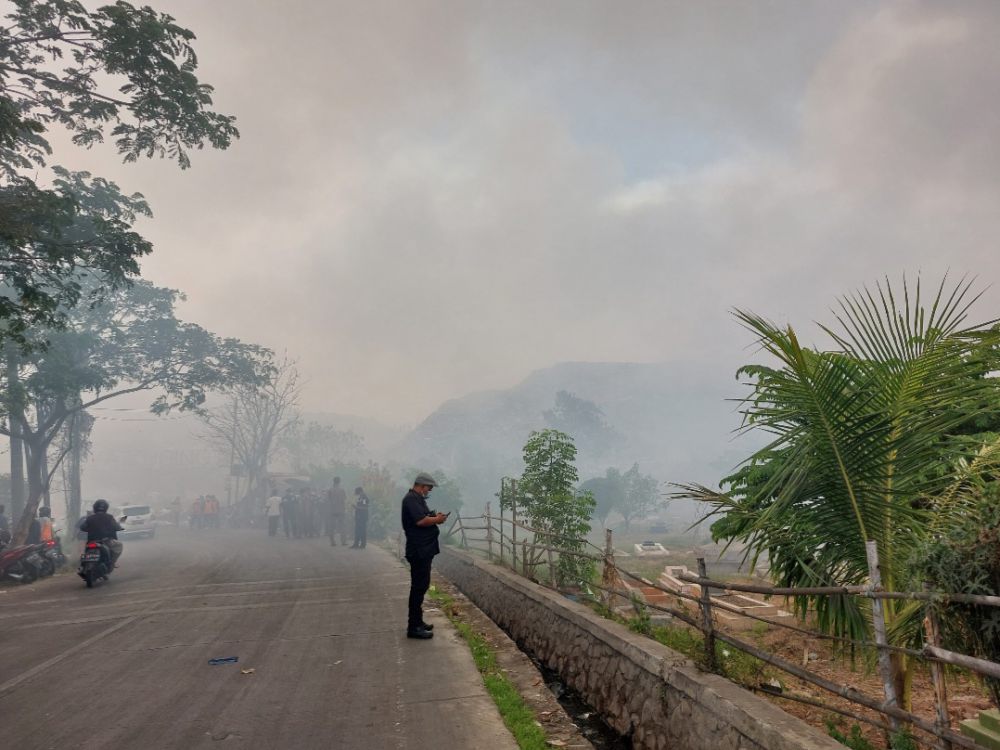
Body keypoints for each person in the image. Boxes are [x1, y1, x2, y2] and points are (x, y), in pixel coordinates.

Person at [401, 473, 448, 639]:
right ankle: (413, 627)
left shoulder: (417, 499)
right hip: (418, 550)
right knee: (418, 588)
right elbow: (420, 521)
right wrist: (437, 519)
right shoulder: (411, 499)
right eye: (429, 488)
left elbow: (424, 517)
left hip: (424, 550)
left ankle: (418, 621)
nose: (429, 491)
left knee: (422, 586)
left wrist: (435, 517)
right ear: (421, 485)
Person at [79, 499, 124, 568]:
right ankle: (112, 563)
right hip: (106, 541)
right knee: (119, 546)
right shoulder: (109, 517)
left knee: (86, 550)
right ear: (106, 508)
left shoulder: (89, 518)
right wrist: (119, 528)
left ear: (94, 508)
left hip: (92, 541)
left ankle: (84, 565)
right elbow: (117, 527)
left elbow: (82, 527)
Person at [326, 477, 347, 546]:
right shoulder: (342, 490)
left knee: (332, 526)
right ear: (339, 482)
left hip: (332, 510)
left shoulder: (330, 490)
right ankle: (343, 541)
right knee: (342, 526)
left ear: (333, 481)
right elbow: (344, 499)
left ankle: (332, 542)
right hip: (341, 510)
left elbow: (328, 500)